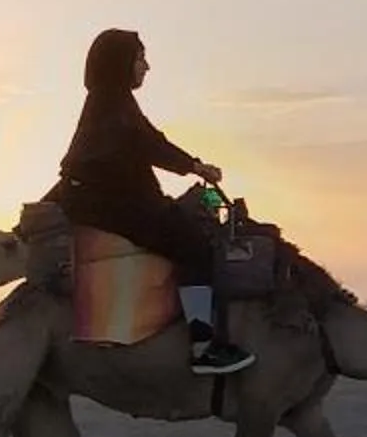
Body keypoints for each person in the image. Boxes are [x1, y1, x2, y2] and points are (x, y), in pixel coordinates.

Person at [51, 28, 253, 376]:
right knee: (196, 247)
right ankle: (203, 346)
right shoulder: (112, 104)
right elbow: (147, 143)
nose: (146, 66)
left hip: (107, 201)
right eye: (140, 58)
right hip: (113, 207)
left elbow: (147, 140)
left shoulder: (111, 101)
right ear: (120, 63)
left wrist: (191, 165)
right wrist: (193, 166)